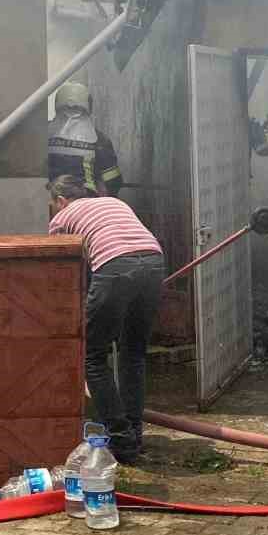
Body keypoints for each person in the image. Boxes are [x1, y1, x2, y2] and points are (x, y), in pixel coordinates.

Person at [48, 176, 165, 464]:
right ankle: (134, 435)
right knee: (133, 353)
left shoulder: (62, 218)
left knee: (92, 356)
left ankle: (121, 439)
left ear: (61, 200)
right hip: (153, 262)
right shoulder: (114, 201)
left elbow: (62, 271)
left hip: (114, 267)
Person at [48, 80, 123, 196]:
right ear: (88, 105)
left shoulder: (43, 136)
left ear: (56, 105)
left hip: (50, 202)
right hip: (86, 202)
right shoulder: (100, 140)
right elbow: (113, 181)